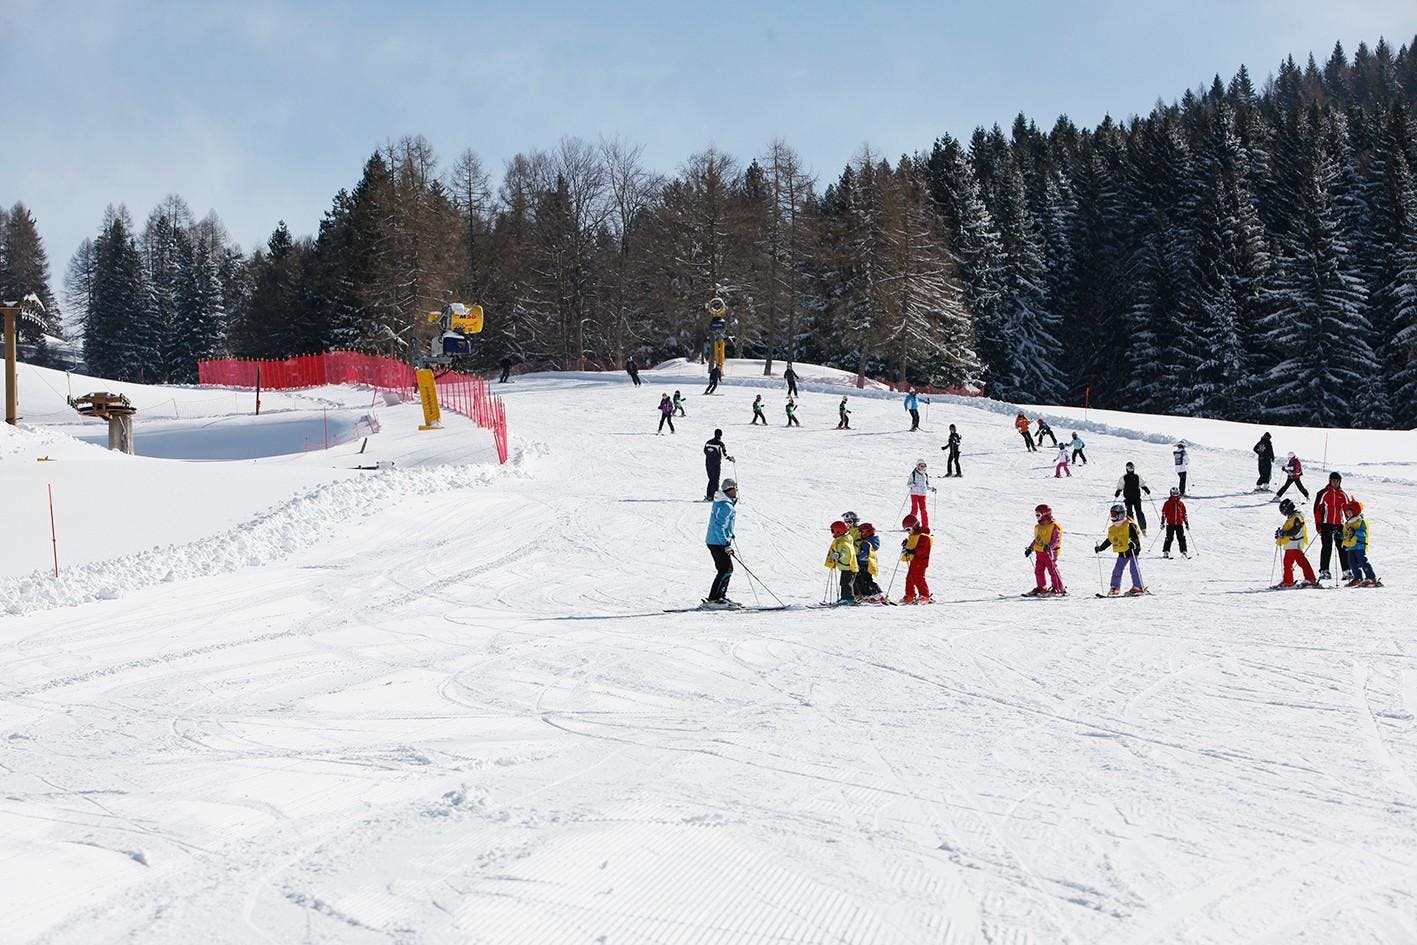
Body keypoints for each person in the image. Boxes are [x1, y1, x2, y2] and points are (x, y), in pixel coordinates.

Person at [1094, 503, 1146, 596]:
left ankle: (1138, 587)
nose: (1113, 517)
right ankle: (1115, 587)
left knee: (1134, 569)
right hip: (1122, 552)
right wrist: (1101, 548)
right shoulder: (1113, 528)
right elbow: (1110, 540)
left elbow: (1135, 537)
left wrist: (1133, 544)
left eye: (1115, 515)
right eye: (1112, 515)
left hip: (1132, 550)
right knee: (1117, 570)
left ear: (1121, 514)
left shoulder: (1129, 525)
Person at [704, 478, 738, 605]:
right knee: (726, 569)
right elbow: (719, 526)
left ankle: (719, 597)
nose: (737, 491)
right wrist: (725, 543)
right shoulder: (726, 506)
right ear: (730, 490)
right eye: (735, 488)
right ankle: (715, 598)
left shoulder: (721, 502)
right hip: (718, 542)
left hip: (714, 540)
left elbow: (720, 523)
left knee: (725, 569)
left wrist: (730, 534)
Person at [1313, 471, 1352, 581]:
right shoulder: (1323, 493)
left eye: (1337, 481)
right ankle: (1324, 570)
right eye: (1333, 480)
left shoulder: (1342, 495)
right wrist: (1318, 525)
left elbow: (1347, 510)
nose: (1335, 483)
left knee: (1342, 547)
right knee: (1327, 547)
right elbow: (1317, 510)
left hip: (1339, 524)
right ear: (1329, 481)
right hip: (1326, 524)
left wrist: (1350, 525)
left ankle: (1346, 571)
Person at [1274, 498, 1317, 588]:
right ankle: (1310, 578)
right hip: (1293, 543)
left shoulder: (1296, 516)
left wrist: (1284, 533)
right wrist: (1280, 533)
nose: (1283, 513)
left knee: (1288, 562)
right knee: (1301, 561)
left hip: (1294, 543)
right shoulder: (1293, 516)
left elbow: (1295, 530)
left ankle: (1288, 581)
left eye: (1283, 511)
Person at [1024, 503, 1065, 596]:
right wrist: (1030, 548)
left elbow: (1056, 539)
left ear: (1045, 514)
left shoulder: (1054, 526)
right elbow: (1037, 539)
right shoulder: (1038, 527)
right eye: (1036, 515)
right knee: (1038, 570)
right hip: (1040, 552)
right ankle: (1041, 587)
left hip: (1050, 552)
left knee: (1052, 570)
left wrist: (1050, 546)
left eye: (1038, 515)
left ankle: (1058, 588)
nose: (1036, 517)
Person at [1341, 500, 1381, 587]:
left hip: (1359, 546)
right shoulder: (1347, 523)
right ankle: (1357, 578)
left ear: (1355, 511)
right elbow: (1345, 535)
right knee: (1352, 563)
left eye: (1350, 512)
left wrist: (1355, 532)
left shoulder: (1360, 521)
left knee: (1362, 561)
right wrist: (1339, 536)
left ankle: (1371, 577)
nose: (1348, 514)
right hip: (1351, 547)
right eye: (1347, 512)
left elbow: (1363, 533)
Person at [824, 520, 859, 605]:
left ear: (838, 531)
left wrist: (839, 555)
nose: (833, 534)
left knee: (846, 584)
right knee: (844, 583)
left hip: (849, 567)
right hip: (846, 567)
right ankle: (845, 598)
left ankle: (849, 599)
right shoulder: (843, 540)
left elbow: (847, 553)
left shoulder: (844, 542)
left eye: (833, 531)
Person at [899, 515, 932, 604]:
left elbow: (922, 549)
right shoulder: (913, 536)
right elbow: (912, 547)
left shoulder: (924, 536)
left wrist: (912, 550)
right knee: (910, 577)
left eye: (909, 529)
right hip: (915, 561)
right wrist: (906, 546)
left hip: (921, 561)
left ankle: (924, 595)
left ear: (914, 526)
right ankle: (910, 595)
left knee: (919, 577)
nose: (909, 532)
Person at [1114, 461, 1152, 534]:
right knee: (1129, 513)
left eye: (1132, 468)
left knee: (1139, 512)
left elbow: (1141, 483)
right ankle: (1132, 528)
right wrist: (1118, 491)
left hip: (1136, 498)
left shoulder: (1137, 476)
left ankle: (1143, 528)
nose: (1131, 469)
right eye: (1129, 468)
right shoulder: (1124, 477)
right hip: (1128, 498)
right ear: (1126, 469)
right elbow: (1120, 485)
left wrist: (1145, 488)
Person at [854, 522, 885, 602]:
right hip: (866, 565)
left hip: (865, 565)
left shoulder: (867, 543)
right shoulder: (869, 541)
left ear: (866, 532)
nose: (860, 534)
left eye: (861, 532)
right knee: (862, 580)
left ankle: (878, 594)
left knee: (867, 580)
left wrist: (857, 558)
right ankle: (866, 595)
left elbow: (865, 554)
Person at [703, 429, 733, 501]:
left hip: (708, 463)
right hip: (716, 464)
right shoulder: (720, 444)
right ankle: (714, 497)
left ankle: (709, 496)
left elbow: (705, 451)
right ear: (721, 435)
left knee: (711, 479)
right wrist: (730, 458)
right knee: (716, 480)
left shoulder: (708, 442)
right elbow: (723, 455)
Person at [1160, 487, 1190, 559]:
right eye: (1174, 494)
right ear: (1171, 494)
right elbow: (1164, 513)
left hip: (1179, 524)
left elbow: (1184, 514)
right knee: (1169, 538)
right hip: (1170, 524)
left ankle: (1184, 551)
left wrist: (1186, 523)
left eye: (1177, 494)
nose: (1175, 496)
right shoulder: (1167, 503)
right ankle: (1166, 551)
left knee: (1181, 538)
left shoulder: (1181, 504)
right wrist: (1162, 522)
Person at [907, 459, 935, 529]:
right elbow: (908, 484)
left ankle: (925, 525)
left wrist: (931, 489)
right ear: (918, 466)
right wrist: (912, 485)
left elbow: (926, 485)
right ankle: (911, 524)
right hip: (914, 493)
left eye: (924, 466)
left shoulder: (925, 475)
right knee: (915, 509)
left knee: (923, 510)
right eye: (921, 465)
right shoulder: (913, 473)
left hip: (922, 494)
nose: (922, 467)